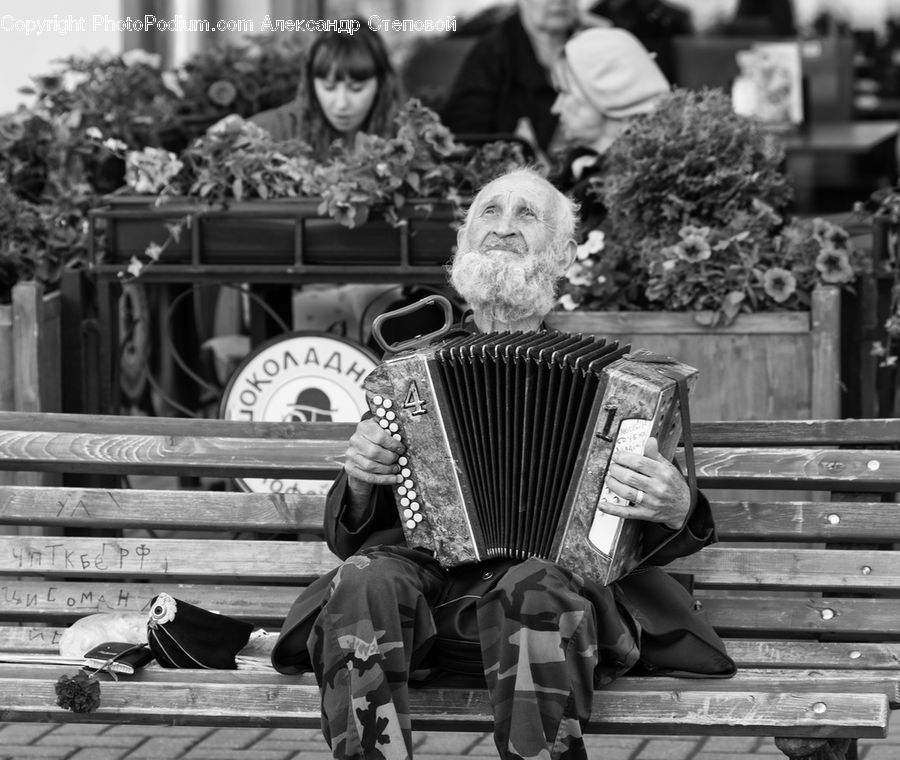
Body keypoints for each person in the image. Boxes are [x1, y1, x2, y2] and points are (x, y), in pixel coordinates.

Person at [271, 166, 735, 760]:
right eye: (489, 212)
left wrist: (675, 506)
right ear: (463, 244)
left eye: (527, 215)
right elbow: (349, 536)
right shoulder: (412, 374)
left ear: (564, 255)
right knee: (364, 577)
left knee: (533, 584)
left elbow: (644, 530)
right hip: (431, 604)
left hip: (553, 597)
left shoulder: (623, 391)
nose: (504, 228)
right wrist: (362, 481)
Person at [440, 0, 608, 161]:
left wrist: (609, 39)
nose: (560, 0)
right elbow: (464, 137)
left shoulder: (596, 42)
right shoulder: (492, 52)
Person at [550, 26, 672, 233]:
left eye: (565, 92)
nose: (556, 108)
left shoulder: (634, 188)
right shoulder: (580, 170)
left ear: (612, 91)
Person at [249, 23, 403, 159]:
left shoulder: (405, 135)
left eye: (356, 89)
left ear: (381, 84)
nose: (341, 104)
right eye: (328, 87)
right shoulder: (281, 128)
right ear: (311, 84)